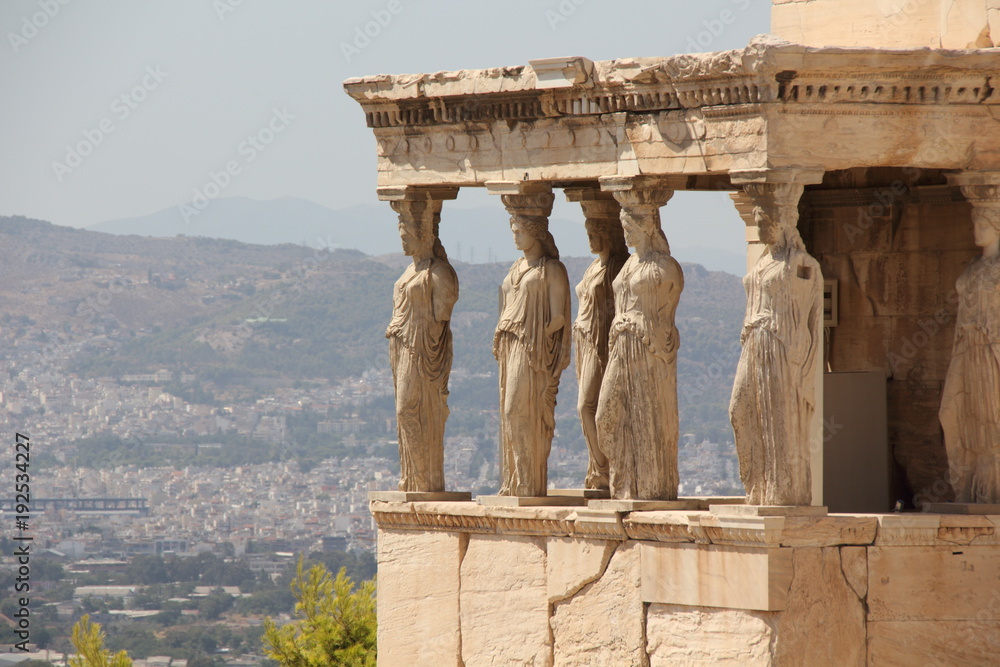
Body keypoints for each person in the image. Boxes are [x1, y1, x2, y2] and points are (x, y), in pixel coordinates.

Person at [729, 186, 822, 506]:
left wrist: (799, 349)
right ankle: (757, 485)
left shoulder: (801, 263)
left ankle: (782, 492)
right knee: (740, 410)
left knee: (779, 419)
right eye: (757, 218)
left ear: (783, 221)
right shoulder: (764, 261)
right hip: (754, 342)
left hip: (781, 345)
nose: (759, 224)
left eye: (764, 218)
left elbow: (809, 311)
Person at [596, 206, 684, 500]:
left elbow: (668, 315)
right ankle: (624, 483)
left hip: (647, 349)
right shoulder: (630, 263)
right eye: (624, 226)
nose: (626, 232)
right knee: (606, 417)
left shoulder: (666, 266)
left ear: (647, 227)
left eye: (630, 226)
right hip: (621, 344)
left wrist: (655, 340)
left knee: (646, 417)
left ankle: (647, 487)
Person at [493, 211, 571, 497]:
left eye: (519, 231)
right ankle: (514, 480)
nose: (515, 235)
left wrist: (539, 334)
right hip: (509, 345)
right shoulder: (516, 267)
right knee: (508, 412)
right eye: (513, 230)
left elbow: (559, 316)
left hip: (532, 348)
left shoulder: (550, 269)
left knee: (518, 409)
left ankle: (527, 480)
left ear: (536, 232)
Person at [386, 203, 458, 492]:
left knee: (409, 409)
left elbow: (442, 313)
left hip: (422, 348)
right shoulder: (408, 271)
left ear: (421, 234)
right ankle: (414, 478)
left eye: (406, 233)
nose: (402, 238)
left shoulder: (439, 272)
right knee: (403, 411)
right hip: (401, 347)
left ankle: (425, 479)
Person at [940, 206, 1000, 503]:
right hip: (968, 348)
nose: (977, 230)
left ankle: (990, 490)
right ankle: (972, 486)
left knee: (991, 417)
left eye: (983, 224)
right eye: (975, 224)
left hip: (991, 350)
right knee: (955, 412)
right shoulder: (972, 267)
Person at [574, 214, 629, 490]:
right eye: (588, 233)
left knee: (588, 406)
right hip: (584, 343)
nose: (590, 239)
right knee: (587, 406)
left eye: (594, 233)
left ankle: (605, 468)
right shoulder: (593, 267)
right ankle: (599, 469)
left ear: (608, 234)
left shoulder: (618, 267)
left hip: (602, 345)